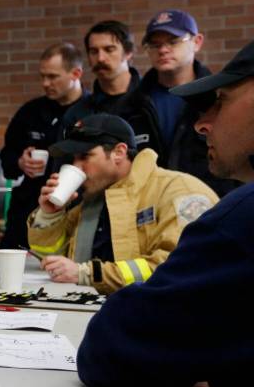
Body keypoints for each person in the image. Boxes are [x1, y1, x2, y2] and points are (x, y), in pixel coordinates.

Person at [77, 40, 254, 387]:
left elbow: (108, 348)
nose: (201, 125)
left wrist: (91, 272)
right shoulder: (89, 198)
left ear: (120, 153)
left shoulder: (219, 211)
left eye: (222, 102)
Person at [28, 114, 217, 293]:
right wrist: (50, 214)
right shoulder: (91, 203)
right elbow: (48, 256)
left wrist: (88, 274)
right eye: (74, 159)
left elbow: (179, 266)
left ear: (119, 152)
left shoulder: (179, 191)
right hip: (95, 310)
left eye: (85, 156)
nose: (77, 167)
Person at [117, 9, 240, 198]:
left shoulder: (221, 99)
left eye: (173, 41)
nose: (163, 50)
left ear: (197, 42)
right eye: (154, 44)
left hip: (211, 209)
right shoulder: (130, 105)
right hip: (150, 213)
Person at [0, 43, 86, 249]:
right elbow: (7, 159)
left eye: (53, 77)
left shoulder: (93, 112)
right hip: (27, 210)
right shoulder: (30, 112)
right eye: (42, 76)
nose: (46, 83)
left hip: (76, 210)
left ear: (76, 74)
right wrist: (21, 162)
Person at [62, 20, 141, 131]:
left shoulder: (152, 101)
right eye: (94, 51)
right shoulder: (78, 114)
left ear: (128, 53)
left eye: (109, 50)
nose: (100, 58)